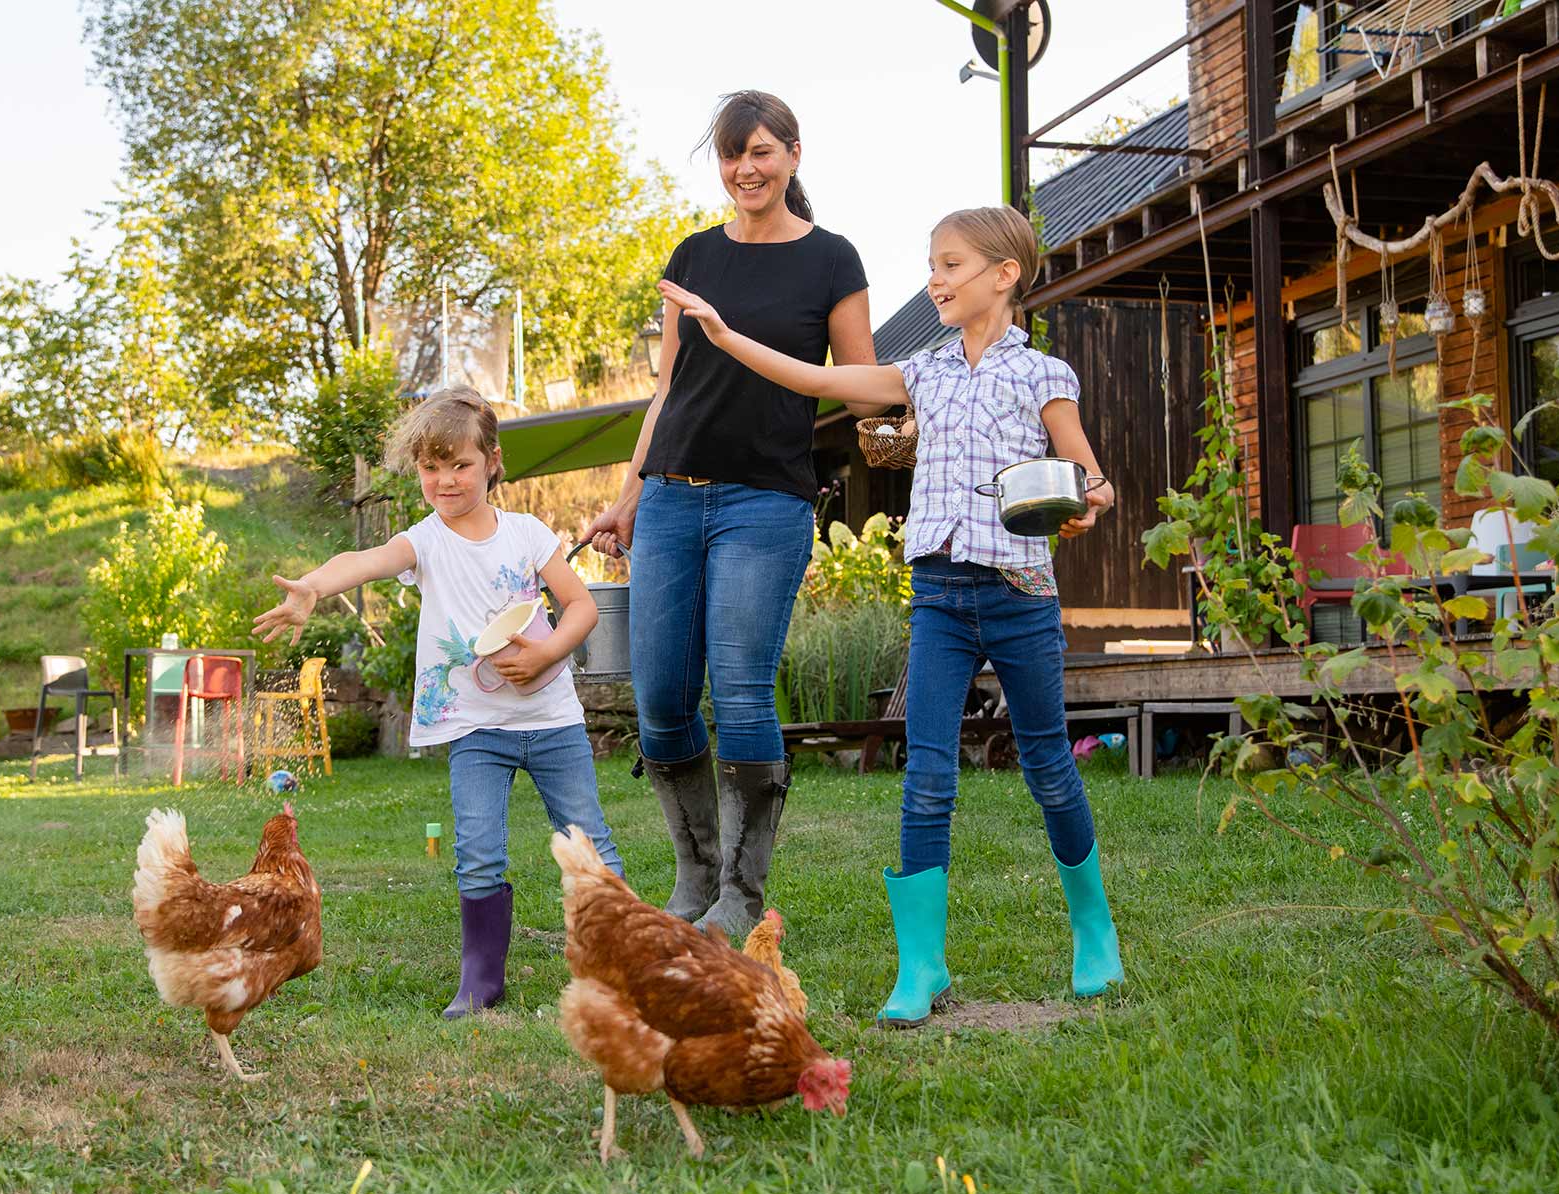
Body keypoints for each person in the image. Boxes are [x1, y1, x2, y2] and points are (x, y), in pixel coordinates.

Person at [656, 204, 1124, 1025]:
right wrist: (726, 339)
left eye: (949, 265)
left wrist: (1088, 501)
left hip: (1019, 595)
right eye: (932, 265)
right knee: (927, 778)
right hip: (940, 597)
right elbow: (820, 380)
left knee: (1049, 766)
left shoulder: (1042, 374)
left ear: (1003, 275)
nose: (934, 279)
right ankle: (922, 968)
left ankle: (1094, 934)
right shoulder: (925, 374)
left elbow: (1091, 475)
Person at [581, 90, 874, 940]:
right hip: (672, 496)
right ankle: (696, 875)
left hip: (766, 501)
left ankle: (741, 894)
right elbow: (669, 388)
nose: (746, 168)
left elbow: (862, 384)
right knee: (663, 696)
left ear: (793, 154)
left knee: (741, 690)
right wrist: (632, 491)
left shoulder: (831, 260)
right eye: (731, 154)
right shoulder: (694, 255)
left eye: (762, 151)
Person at [254, 386, 624, 1019]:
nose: (445, 480)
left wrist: (546, 652)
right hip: (477, 729)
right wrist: (312, 587)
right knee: (478, 848)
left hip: (553, 720)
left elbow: (583, 606)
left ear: (491, 462)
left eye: (460, 465)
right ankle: (481, 980)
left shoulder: (527, 534)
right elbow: (364, 559)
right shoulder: (425, 541)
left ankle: (623, 964)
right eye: (431, 467)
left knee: (590, 842)